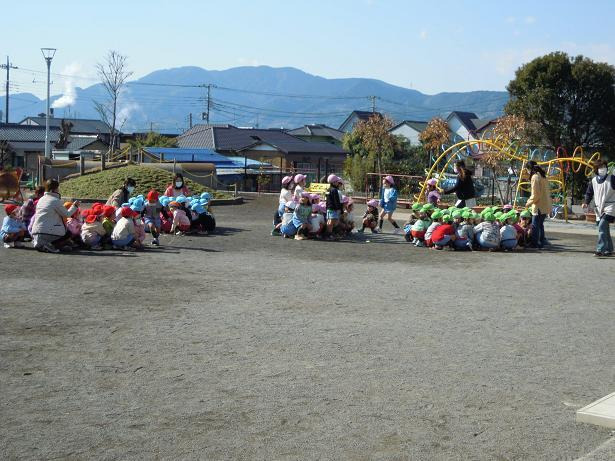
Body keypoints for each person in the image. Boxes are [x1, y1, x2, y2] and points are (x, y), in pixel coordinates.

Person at [30, 179, 80, 253]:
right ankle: (49, 244)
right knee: (68, 233)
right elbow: (67, 214)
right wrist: (74, 206)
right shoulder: (55, 200)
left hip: (35, 231)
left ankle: (43, 244)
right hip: (47, 232)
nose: (58, 190)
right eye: (57, 188)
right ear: (54, 189)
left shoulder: (41, 199)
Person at [582, 159, 615, 256]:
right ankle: (609, 249)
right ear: (596, 169)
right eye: (600, 167)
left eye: (604, 166)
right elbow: (589, 193)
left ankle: (600, 250)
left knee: (601, 226)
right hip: (599, 208)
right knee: (605, 229)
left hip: (611, 206)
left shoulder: (612, 178)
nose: (603, 169)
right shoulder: (593, 181)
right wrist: (586, 203)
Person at [524, 161, 552, 249]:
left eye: (527, 169)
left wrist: (528, 202)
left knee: (535, 225)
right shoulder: (543, 176)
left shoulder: (535, 177)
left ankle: (534, 243)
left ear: (529, 169)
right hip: (545, 204)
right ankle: (542, 241)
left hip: (539, 205)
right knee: (540, 224)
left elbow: (536, 194)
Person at [325, 174, 344, 240]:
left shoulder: (328, 189)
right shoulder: (334, 190)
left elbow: (327, 200)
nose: (337, 183)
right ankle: (329, 235)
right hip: (333, 208)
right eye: (336, 182)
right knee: (332, 222)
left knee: (330, 221)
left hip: (329, 208)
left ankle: (330, 234)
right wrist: (339, 209)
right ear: (333, 182)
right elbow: (336, 200)